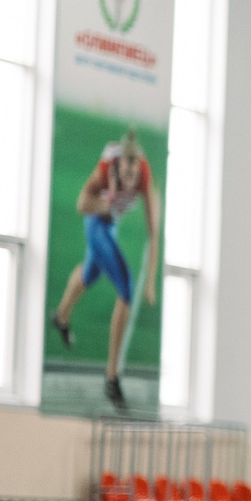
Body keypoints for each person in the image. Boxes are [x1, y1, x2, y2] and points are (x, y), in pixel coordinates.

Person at [51, 129, 160, 408]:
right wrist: (107, 202)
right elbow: (81, 204)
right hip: (97, 220)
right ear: (119, 163)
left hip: (110, 224)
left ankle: (61, 317)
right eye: (126, 166)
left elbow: (153, 232)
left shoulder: (144, 180)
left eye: (135, 167)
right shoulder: (104, 171)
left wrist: (151, 282)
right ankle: (111, 378)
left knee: (91, 272)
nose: (130, 172)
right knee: (125, 288)